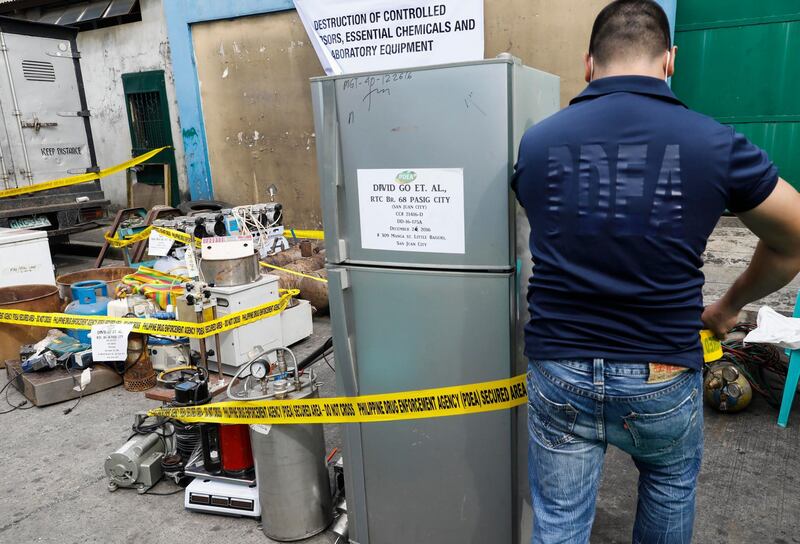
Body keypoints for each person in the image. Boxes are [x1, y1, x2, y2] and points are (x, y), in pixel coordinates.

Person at [512, 1, 800, 543]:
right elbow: (794, 235)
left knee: (558, 523)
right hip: (661, 371)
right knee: (667, 494)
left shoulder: (538, 142)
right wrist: (730, 305)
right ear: (670, 61)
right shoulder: (713, 142)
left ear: (588, 64)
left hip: (560, 368)